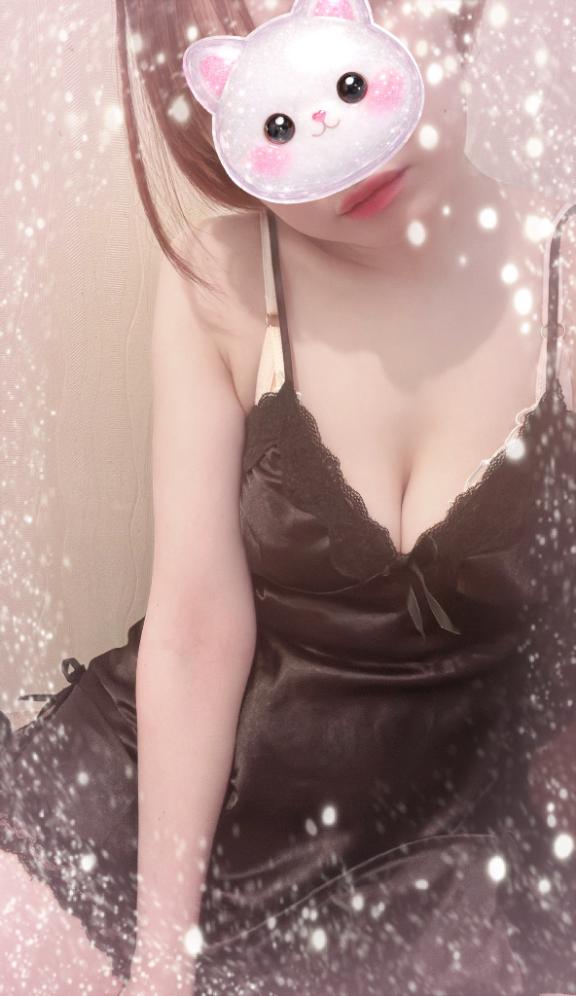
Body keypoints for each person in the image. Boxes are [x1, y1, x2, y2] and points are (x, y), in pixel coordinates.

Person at [0, 0, 575, 994]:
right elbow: (193, 631)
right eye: (272, 91)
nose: (337, 138)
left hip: (435, 860)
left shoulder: (560, 276)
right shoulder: (223, 279)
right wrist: (160, 963)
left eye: (349, 49)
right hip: (171, 802)